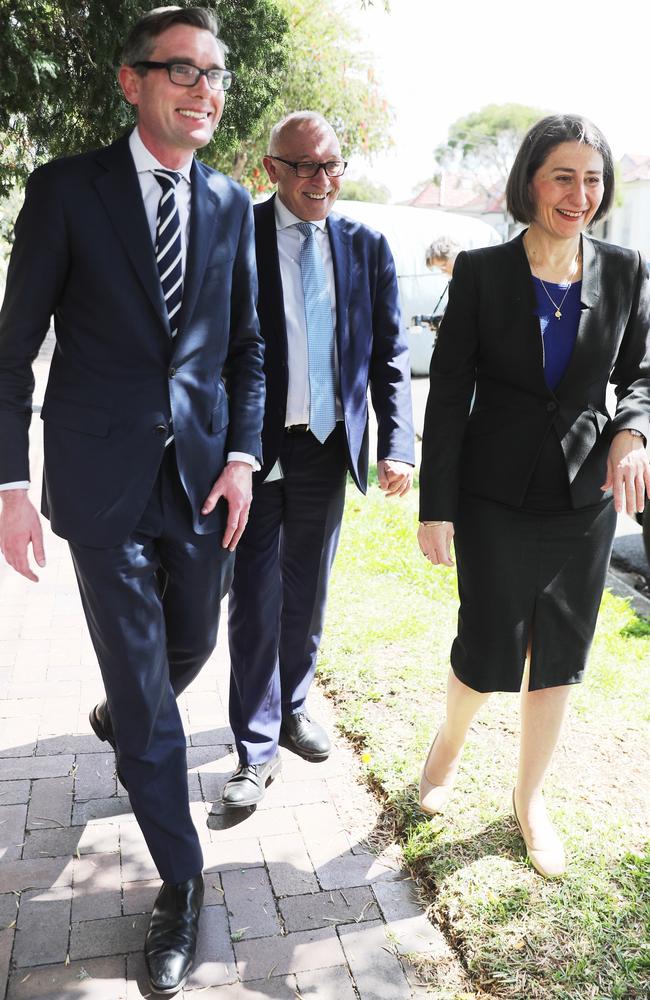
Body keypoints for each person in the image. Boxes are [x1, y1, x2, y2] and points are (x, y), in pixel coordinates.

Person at [0, 7, 264, 993]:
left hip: (200, 482)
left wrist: (241, 455)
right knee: (157, 708)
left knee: (191, 639)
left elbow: (246, 351)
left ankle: (122, 705)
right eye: (182, 71)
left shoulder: (234, 205)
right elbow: (12, 350)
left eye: (215, 75)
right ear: (131, 82)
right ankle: (183, 881)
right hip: (100, 483)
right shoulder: (68, 191)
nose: (204, 90)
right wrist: (10, 485)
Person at [417, 114, 650, 879]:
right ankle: (448, 743)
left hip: (582, 503)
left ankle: (529, 800)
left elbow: (643, 375)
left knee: (557, 658)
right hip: (493, 495)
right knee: (487, 650)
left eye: (592, 179)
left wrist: (631, 431)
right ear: (530, 182)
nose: (579, 193)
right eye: (563, 176)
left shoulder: (625, 269)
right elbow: (448, 393)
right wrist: (436, 504)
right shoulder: (482, 273)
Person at [223, 111, 415, 808]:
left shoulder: (366, 246)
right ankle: (254, 747)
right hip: (253, 450)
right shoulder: (236, 233)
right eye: (304, 165)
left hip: (329, 448)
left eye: (331, 164)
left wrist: (397, 444)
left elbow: (390, 355)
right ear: (272, 168)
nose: (321, 179)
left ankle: (294, 702)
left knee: (307, 593)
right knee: (255, 598)